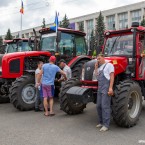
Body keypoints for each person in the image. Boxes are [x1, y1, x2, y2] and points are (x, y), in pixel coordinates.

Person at [95, 53, 114, 132]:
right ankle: (101, 122)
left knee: (105, 106)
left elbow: (112, 76)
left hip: (106, 88)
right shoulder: (100, 67)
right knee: (98, 106)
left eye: (99, 58)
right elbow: (97, 76)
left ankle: (106, 125)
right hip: (100, 88)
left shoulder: (109, 65)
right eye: (97, 59)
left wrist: (110, 88)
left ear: (103, 57)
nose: (98, 60)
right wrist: (96, 68)